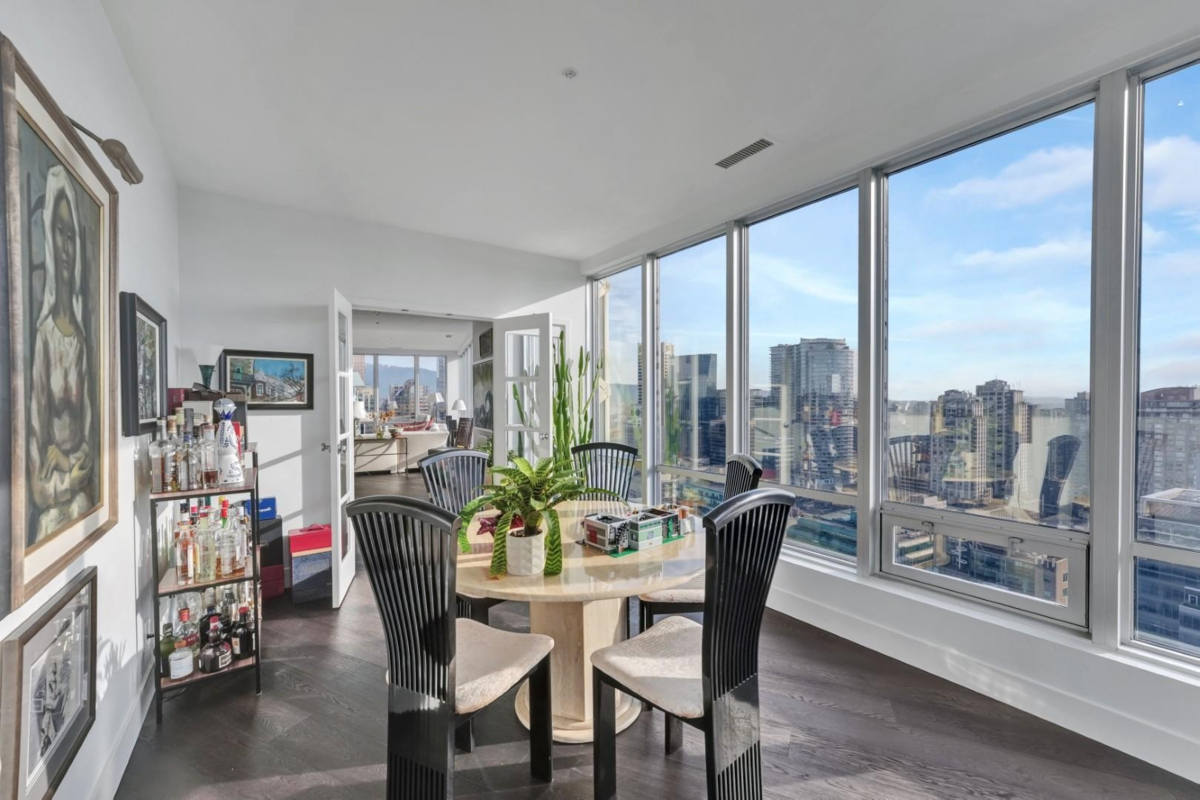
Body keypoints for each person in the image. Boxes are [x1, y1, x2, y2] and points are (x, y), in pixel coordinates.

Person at [29, 165, 94, 544]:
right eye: (60, 232)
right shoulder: (43, 338)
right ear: (49, 238)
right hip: (54, 514)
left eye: (72, 235)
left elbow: (86, 442)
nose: (67, 247)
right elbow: (36, 460)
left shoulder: (82, 341)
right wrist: (72, 476)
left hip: (80, 499)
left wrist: (69, 464)